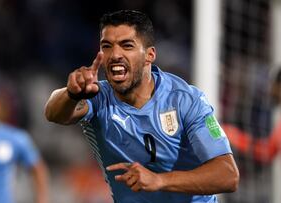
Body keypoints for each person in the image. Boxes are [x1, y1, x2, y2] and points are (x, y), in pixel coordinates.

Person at [45, 10, 239, 203]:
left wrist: (159, 180)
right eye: (107, 46)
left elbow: (228, 175)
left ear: (149, 55)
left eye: (126, 45)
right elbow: (54, 113)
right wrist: (71, 94)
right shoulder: (98, 97)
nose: (115, 54)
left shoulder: (185, 101)